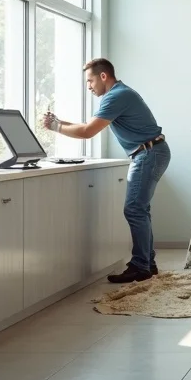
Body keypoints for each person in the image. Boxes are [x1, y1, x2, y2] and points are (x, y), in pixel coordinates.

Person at [42, 58, 171, 284]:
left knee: (134, 209)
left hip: (148, 154)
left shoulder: (116, 96)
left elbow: (87, 132)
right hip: (152, 151)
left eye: (90, 81)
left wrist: (56, 127)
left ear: (103, 76)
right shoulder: (119, 94)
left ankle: (141, 266)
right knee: (140, 209)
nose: (89, 86)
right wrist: (60, 122)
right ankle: (147, 264)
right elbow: (88, 126)